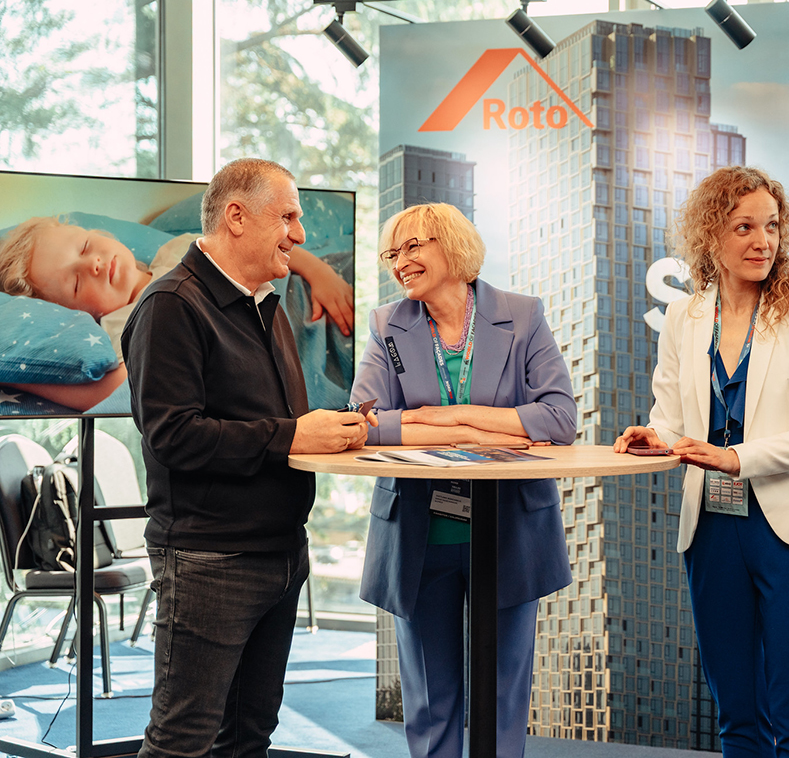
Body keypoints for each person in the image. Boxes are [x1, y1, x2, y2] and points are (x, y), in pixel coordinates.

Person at [122, 157, 373, 758]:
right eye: (287, 217)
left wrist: (329, 433)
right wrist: (293, 437)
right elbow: (172, 436)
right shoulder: (170, 305)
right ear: (236, 217)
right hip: (211, 562)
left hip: (281, 553)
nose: (300, 234)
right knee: (181, 742)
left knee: (248, 737)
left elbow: (274, 423)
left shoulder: (267, 304)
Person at [615, 166, 789, 757]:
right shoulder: (685, 316)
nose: (762, 241)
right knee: (737, 720)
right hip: (712, 532)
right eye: (744, 227)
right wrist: (654, 436)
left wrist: (733, 458)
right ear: (710, 235)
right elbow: (672, 417)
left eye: (771, 226)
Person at [351, 202, 575, 758]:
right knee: (431, 701)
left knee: (503, 693)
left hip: (510, 530)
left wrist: (451, 417)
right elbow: (363, 422)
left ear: (453, 246)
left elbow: (559, 419)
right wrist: (480, 428)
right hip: (420, 533)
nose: (400, 262)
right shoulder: (387, 325)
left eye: (413, 246)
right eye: (392, 253)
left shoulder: (522, 315)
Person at [0, 212, 353, 410]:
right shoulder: (123, 326)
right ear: (76, 315)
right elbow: (118, 391)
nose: (92, 264)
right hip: (290, 349)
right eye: (76, 283)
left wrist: (320, 272)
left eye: (85, 247)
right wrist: (19, 376)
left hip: (303, 291)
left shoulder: (179, 250)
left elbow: (258, 251)